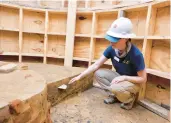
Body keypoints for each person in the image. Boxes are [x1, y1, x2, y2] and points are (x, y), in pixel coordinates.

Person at [68, 17, 147, 110]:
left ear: (125, 38)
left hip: (132, 82)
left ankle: (129, 100)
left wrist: (125, 77)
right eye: (111, 38)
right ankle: (115, 95)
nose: (111, 42)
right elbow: (96, 65)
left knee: (115, 87)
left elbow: (143, 79)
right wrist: (80, 76)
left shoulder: (136, 54)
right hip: (118, 77)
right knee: (98, 74)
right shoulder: (112, 48)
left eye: (115, 39)